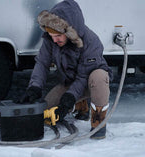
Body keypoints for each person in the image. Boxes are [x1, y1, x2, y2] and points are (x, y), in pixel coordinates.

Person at [18, 0, 112, 139]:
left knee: (99, 77)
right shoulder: (52, 40)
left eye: (58, 36)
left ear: (69, 31)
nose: (54, 40)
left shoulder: (91, 41)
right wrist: (34, 87)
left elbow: (83, 77)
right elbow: (42, 63)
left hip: (90, 81)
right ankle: (79, 106)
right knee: (46, 112)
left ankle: (98, 123)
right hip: (69, 82)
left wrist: (69, 98)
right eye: (51, 36)